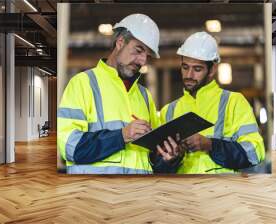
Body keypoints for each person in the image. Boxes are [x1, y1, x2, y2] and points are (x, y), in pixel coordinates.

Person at [58, 13, 169, 174]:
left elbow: (151, 158)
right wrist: (122, 135)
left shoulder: (144, 96)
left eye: (147, 56)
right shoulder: (83, 84)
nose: (142, 61)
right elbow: (70, 147)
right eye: (138, 51)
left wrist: (167, 157)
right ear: (120, 42)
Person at [153, 32, 265, 174]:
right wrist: (170, 159)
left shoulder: (234, 102)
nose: (189, 75)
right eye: (185, 67)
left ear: (212, 69)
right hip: (182, 192)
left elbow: (255, 152)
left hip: (221, 191)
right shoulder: (168, 111)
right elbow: (158, 166)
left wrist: (210, 145)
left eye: (197, 69)